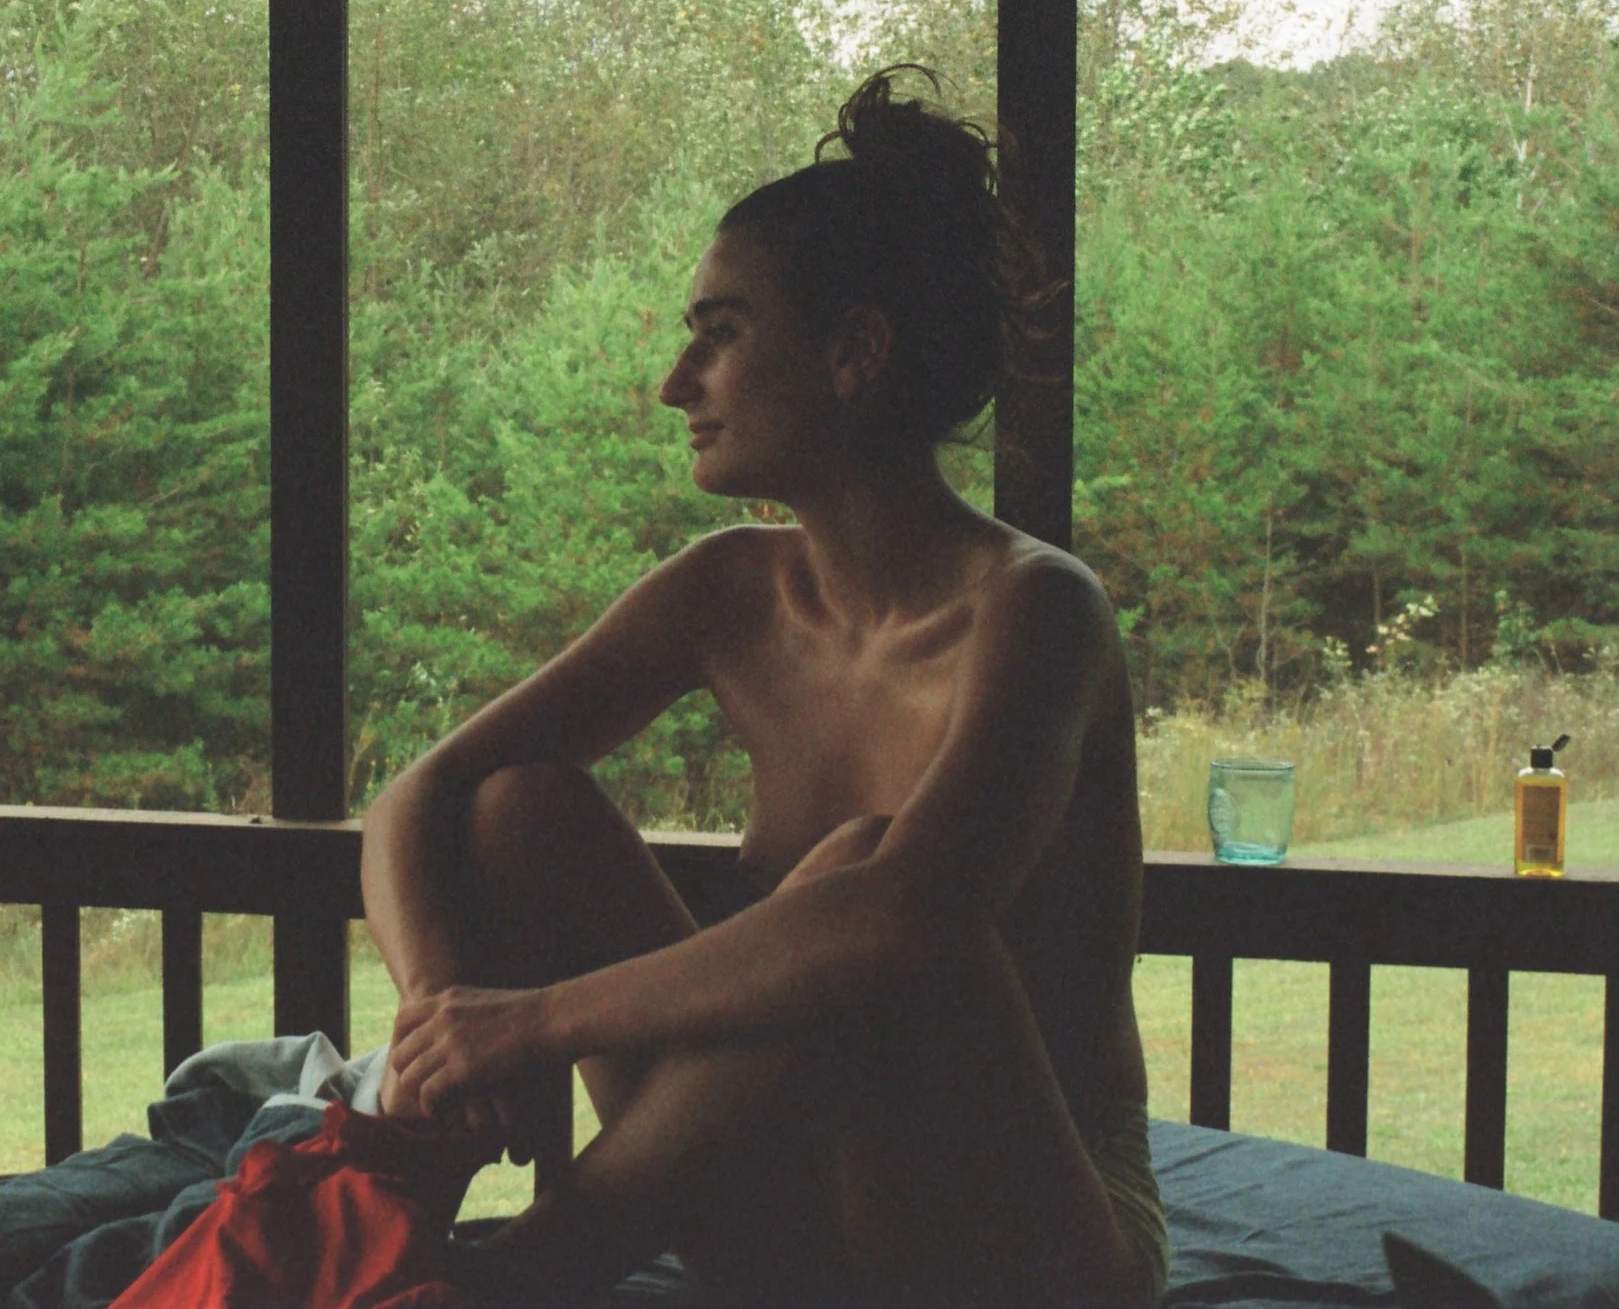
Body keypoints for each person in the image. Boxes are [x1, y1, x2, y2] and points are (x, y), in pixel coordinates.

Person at [360, 67, 1167, 1308]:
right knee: (519, 805)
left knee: (861, 873)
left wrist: (537, 1023)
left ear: (853, 352)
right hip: (791, 1208)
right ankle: (545, 1262)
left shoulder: (1037, 611)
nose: (677, 380)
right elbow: (423, 795)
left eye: (721, 331)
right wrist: (446, 1015)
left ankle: (534, 1269)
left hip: (1027, 1239)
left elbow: (904, 917)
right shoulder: (728, 591)